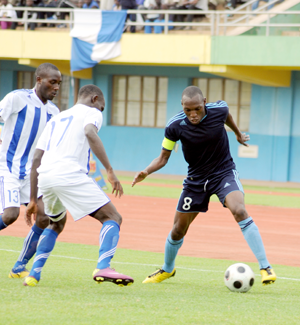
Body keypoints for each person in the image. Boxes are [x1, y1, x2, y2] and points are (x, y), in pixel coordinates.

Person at [132, 85, 276, 286]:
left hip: (223, 172)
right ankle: (167, 269)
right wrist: (146, 171)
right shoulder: (174, 126)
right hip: (195, 180)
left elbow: (227, 117)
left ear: (204, 103)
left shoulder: (219, 110)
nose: (193, 114)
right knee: (177, 230)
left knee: (240, 211)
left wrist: (237, 133)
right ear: (182, 106)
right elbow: (163, 157)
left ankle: (265, 266)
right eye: (187, 110)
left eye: (197, 109)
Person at [23, 84, 134, 287]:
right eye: (102, 106)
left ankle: (33, 275)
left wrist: (32, 199)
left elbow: (37, 158)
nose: (101, 111)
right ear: (94, 99)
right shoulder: (92, 112)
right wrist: (109, 170)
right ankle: (103, 266)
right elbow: (90, 133)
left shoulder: (56, 118)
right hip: (70, 174)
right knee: (113, 217)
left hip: (46, 176)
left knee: (55, 223)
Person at [0, 63, 61, 278]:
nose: (56, 88)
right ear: (39, 80)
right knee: (10, 215)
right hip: (7, 167)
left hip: (32, 174)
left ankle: (19, 265)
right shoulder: (17, 98)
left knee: (44, 217)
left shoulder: (54, 112)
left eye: (59, 84)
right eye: (52, 82)